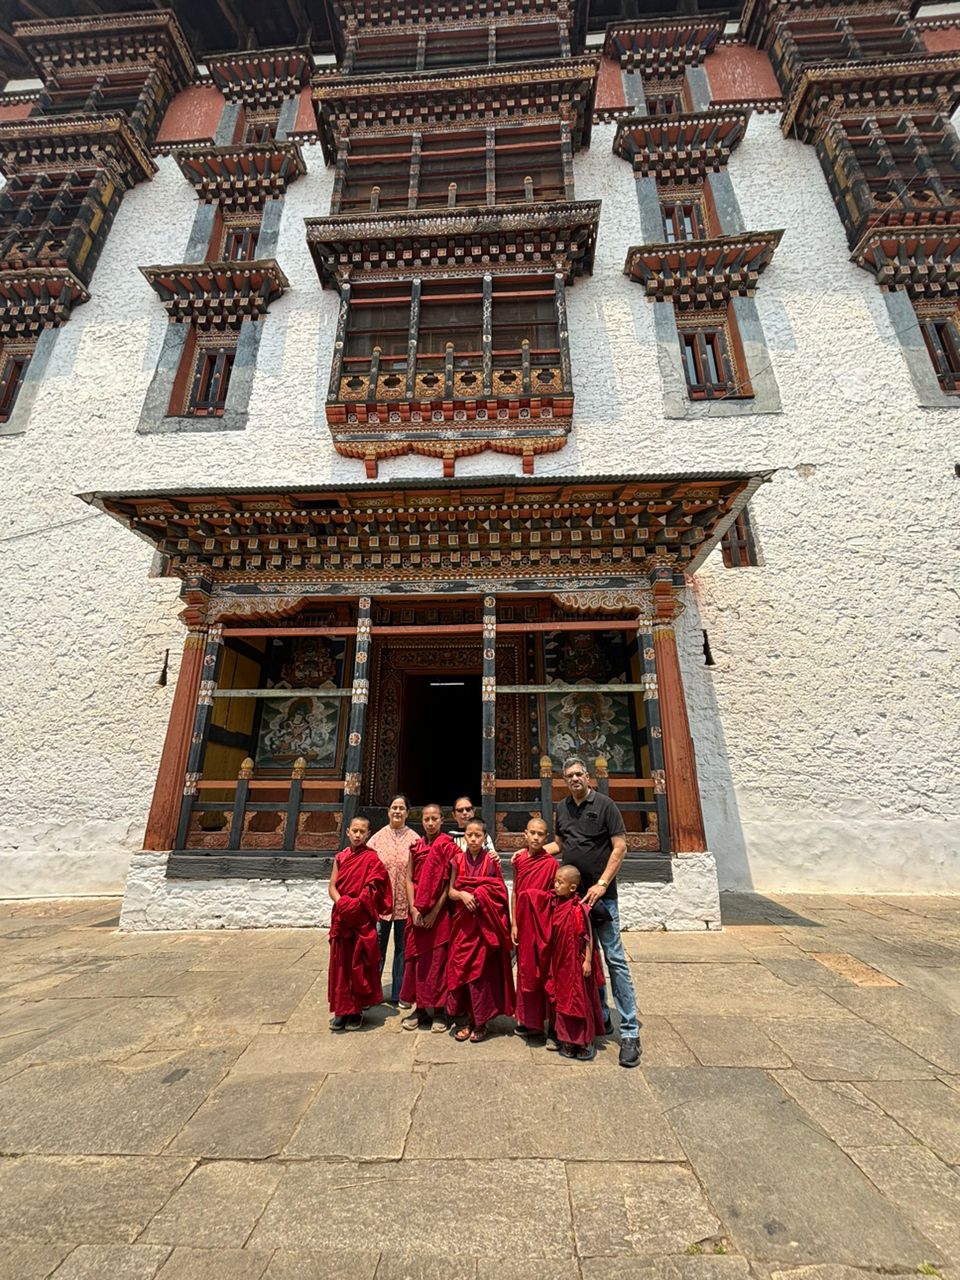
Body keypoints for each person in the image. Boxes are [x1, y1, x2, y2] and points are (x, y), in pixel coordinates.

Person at [548, 756, 641, 1068]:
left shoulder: (605, 805)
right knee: (586, 962)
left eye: (579, 774)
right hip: (573, 902)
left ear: (588, 776)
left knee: (614, 959)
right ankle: (600, 1017)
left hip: (600, 898)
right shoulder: (562, 808)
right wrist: (530, 850)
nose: (574, 779)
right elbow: (560, 844)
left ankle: (630, 1031)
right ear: (563, 780)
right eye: (569, 775)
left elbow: (620, 847)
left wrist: (602, 883)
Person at [447, 817, 515, 1043]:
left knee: (482, 975)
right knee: (464, 972)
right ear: (464, 836)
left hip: (484, 927)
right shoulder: (457, 860)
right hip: (464, 927)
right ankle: (467, 1019)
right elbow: (451, 892)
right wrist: (464, 894)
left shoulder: (492, 861)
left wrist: (482, 895)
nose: (474, 839)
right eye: (469, 835)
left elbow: (499, 892)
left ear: (485, 837)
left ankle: (481, 1022)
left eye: (478, 835)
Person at [327, 815, 393, 1031]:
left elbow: (376, 888)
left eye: (361, 831)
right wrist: (343, 904)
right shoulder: (341, 857)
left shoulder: (372, 859)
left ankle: (355, 1011)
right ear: (347, 832)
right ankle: (341, 1011)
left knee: (359, 966)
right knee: (341, 966)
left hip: (361, 920)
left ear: (368, 834)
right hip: (343, 918)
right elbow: (333, 887)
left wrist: (357, 905)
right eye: (354, 831)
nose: (357, 835)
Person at [400, 803, 458, 1034]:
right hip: (416, 913)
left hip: (439, 914)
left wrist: (434, 912)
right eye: (426, 819)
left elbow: (448, 884)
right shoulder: (416, 847)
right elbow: (408, 879)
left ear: (442, 820)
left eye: (435, 818)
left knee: (438, 963)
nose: (431, 823)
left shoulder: (449, 847)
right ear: (421, 821)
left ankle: (440, 1010)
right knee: (415, 964)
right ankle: (421, 1009)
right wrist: (414, 909)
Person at [543, 864, 605, 1060]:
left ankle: (585, 1040)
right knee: (562, 1000)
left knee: (579, 1000)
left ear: (572, 887)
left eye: (560, 882)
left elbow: (587, 936)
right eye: (555, 881)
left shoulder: (580, 908)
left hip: (577, 963)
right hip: (560, 962)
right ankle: (568, 1040)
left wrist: (587, 961)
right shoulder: (555, 904)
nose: (555, 885)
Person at [511, 816, 559, 1037]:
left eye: (541, 834)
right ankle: (529, 1020)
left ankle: (549, 1023)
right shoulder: (519, 860)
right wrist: (514, 924)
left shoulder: (551, 864)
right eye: (533, 833)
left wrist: (534, 897)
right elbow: (515, 892)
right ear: (525, 834)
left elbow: (553, 896)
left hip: (542, 926)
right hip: (523, 923)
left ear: (546, 837)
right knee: (525, 972)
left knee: (544, 973)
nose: (536, 837)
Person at [368, 794, 416, 1005]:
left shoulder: (415, 839)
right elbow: (365, 865)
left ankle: (400, 993)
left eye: (401, 808)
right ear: (388, 811)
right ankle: (372, 992)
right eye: (394, 807)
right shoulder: (376, 839)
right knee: (376, 948)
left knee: (402, 949)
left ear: (407, 812)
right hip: (381, 904)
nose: (397, 811)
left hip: (405, 904)